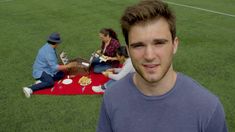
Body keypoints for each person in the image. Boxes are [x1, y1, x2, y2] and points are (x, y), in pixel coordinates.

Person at [96, 0, 228, 132]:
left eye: (159, 43)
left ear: (174, 45)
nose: (149, 55)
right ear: (128, 50)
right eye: (138, 45)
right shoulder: (112, 98)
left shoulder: (208, 108)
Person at [23, 32, 77, 98]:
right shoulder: (49, 52)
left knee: (61, 74)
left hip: (47, 68)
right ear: (56, 43)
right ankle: (29, 89)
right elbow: (54, 67)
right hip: (40, 70)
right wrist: (68, 66)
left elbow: (52, 63)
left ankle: (42, 80)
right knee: (50, 83)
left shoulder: (49, 47)